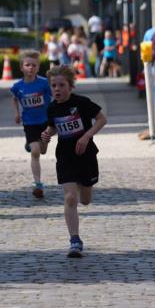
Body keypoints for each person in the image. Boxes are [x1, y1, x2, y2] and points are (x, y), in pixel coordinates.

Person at [41, 64, 107, 258]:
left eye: (61, 85)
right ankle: (75, 241)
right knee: (70, 197)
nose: (57, 89)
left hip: (86, 155)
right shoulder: (52, 108)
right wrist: (47, 133)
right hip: (65, 157)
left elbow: (102, 119)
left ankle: (84, 186)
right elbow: (53, 127)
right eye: (53, 85)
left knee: (85, 200)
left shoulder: (82, 103)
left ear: (70, 87)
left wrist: (86, 136)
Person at [10, 49, 53, 199]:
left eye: (34, 65)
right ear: (21, 67)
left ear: (38, 67)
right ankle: (38, 183)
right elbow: (14, 98)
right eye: (27, 65)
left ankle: (35, 144)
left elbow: (56, 96)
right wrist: (16, 113)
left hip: (46, 121)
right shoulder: (17, 86)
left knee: (42, 150)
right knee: (35, 152)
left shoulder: (44, 84)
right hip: (29, 123)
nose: (30, 68)